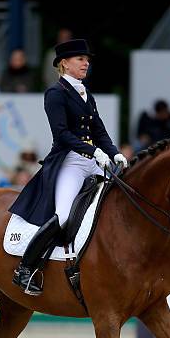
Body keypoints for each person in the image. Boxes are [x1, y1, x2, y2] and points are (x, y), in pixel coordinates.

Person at [9, 38, 127, 295]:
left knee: (122, 197)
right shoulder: (55, 93)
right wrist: (94, 151)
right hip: (70, 161)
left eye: (87, 59)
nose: (86, 63)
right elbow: (62, 134)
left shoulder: (87, 94)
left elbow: (99, 130)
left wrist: (115, 153)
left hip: (93, 160)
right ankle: (25, 269)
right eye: (80, 59)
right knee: (62, 217)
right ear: (65, 63)